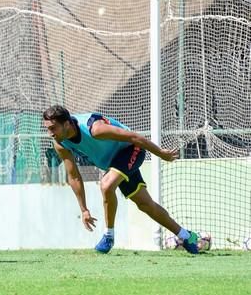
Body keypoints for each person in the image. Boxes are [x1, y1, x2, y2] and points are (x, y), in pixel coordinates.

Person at [42, 105, 201, 254]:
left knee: (106, 185)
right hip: (114, 164)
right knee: (145, 204)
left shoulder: (95, 129)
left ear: (67, 124)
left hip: (132, 149)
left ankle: (108, 236)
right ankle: (187, 236)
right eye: (48, 129)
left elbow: (133, 137)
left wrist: (160, 153)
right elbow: (74, 176)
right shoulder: (60, 143)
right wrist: (84, 209)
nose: (50, 133)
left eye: (53, 128)